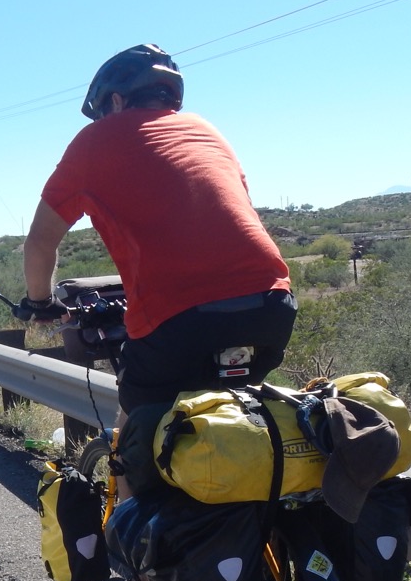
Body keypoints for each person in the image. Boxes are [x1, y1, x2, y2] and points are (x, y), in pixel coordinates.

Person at [16, 44, 296, 426]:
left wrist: (40, 302)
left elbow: (40, 242)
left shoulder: (94, 140)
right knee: (242, 421)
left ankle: (132, 466)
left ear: (116, 101)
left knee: (137, 430)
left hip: (178, 318)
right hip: (271, 306)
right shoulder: (206, 131)